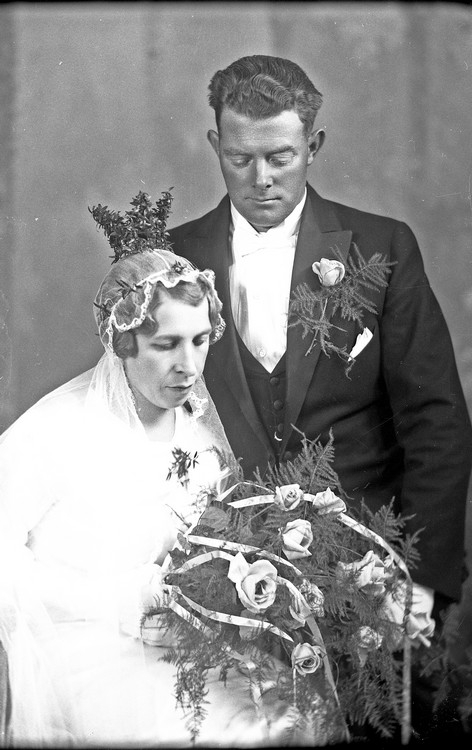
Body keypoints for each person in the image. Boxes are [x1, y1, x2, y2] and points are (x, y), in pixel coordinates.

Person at [168, 55, 472, 738]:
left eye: (280, 156)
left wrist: (419, 579)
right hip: (223, 579)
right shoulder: (174, 256)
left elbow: (437, 422)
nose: (261, 179)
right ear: (215, 145)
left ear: (315, 144)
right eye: (240, 158)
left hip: (367, 575)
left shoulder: (382, 247)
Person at [0, 191, 303, 747]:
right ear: (122, 343)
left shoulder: (202, 441)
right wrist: (116, 601)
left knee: (286, 714)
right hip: (81, 648)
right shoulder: (55, 430)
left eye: (200, 341)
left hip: (179, 646)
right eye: (166, 344)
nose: (188, 366)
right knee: (204, 733)